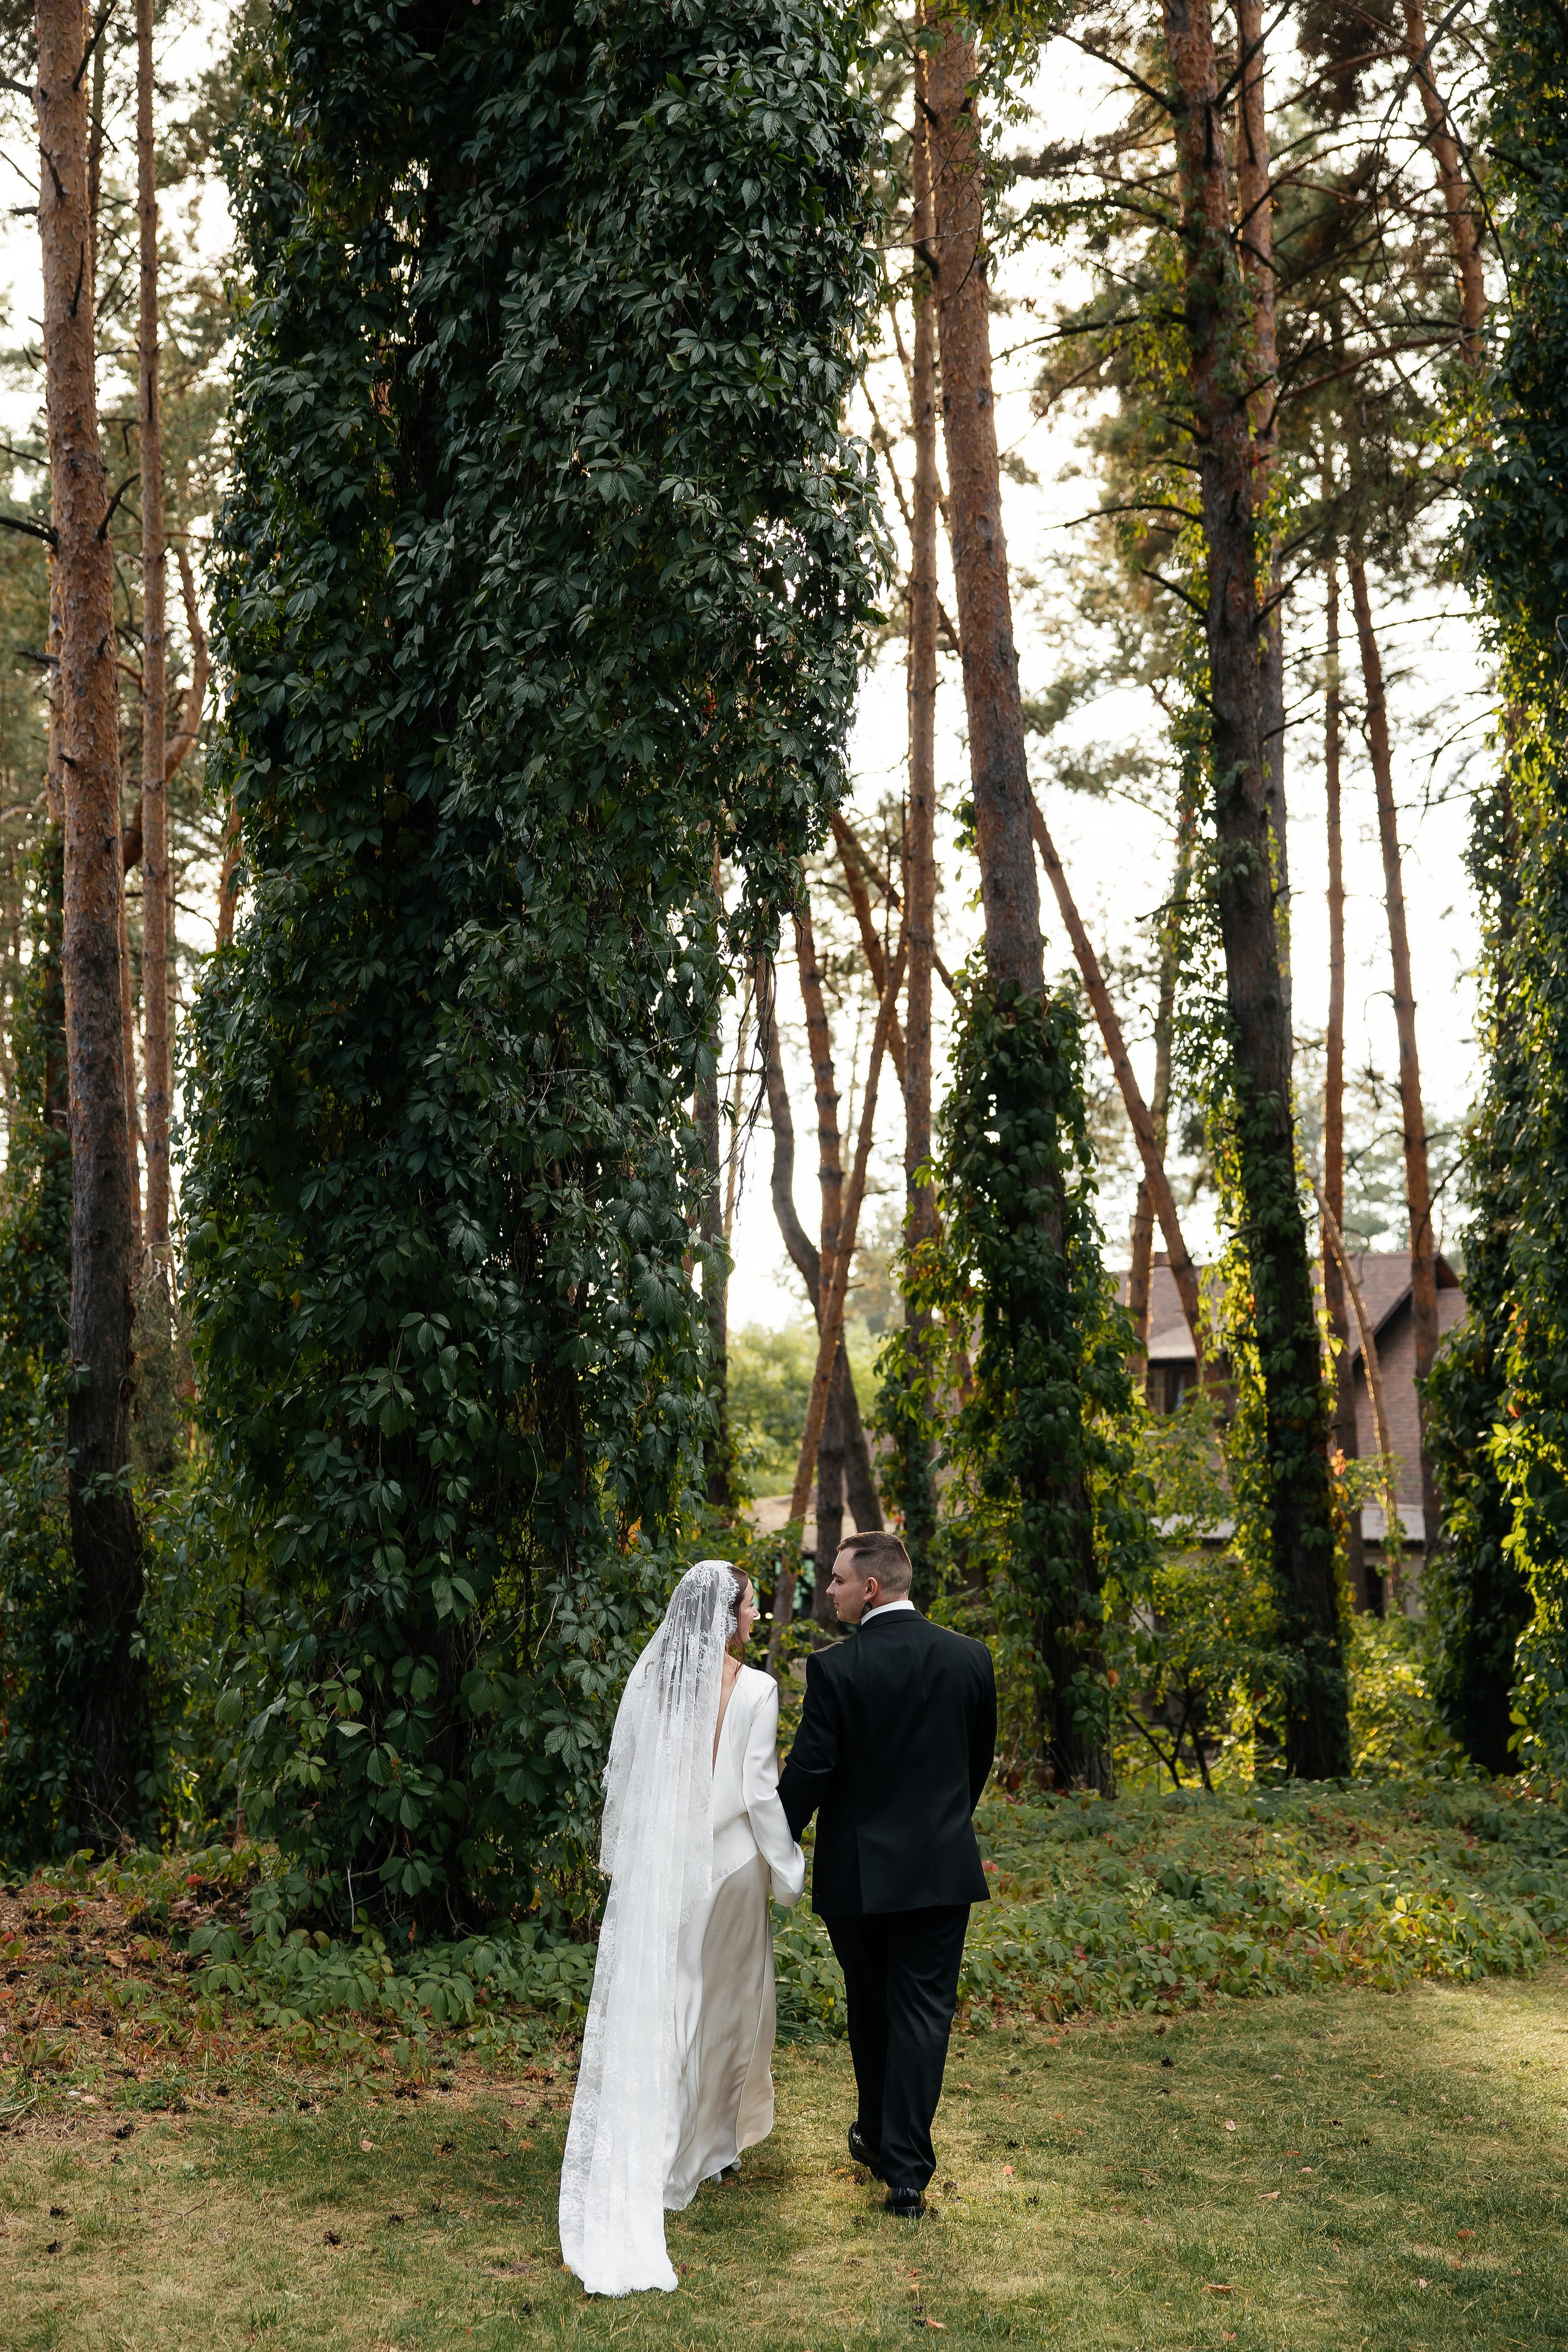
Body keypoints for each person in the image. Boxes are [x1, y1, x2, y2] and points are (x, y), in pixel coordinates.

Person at [559, 1559, 804, 2296]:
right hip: (727, 1868)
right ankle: (702, 2149)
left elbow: (629, 1780)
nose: (756, 1618)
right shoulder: (754, 1688)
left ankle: (658, 2147)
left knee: (666, 2001)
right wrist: (789, 1870)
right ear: (725, 1615)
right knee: (722, 2009)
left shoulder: (653, 1681)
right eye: (751, 1607)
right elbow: (760, 1793)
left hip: (661, 1868)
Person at [778, 1529, 997, 2218]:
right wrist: (940, 1829)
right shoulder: (970, 1659)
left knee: (872, 2008)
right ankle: (903, 2168)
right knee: (923, 2015)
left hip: (860, 1878)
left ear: (870, 1588)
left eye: (838, 1580)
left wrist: (769, 1840)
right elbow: (974, 1767)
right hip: (939, 1869)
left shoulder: (836, 1669)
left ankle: (879, 2138)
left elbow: (811, 1772)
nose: (831, 1591)